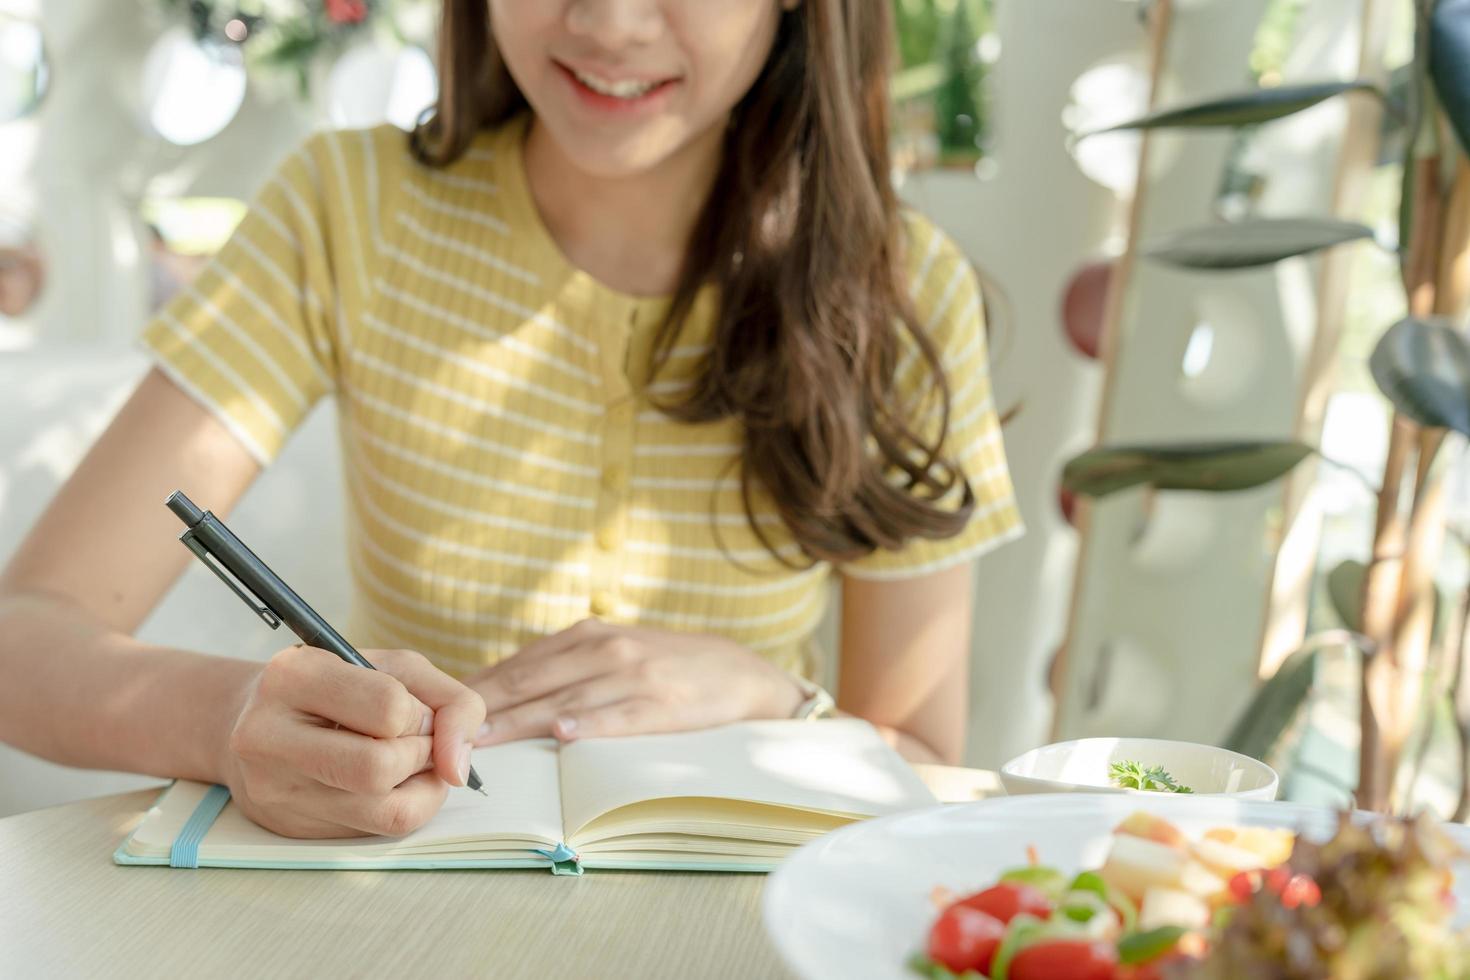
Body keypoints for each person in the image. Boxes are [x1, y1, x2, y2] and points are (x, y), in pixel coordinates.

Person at [0, 0, 1021, 841]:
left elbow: (931, 760)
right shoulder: (345, 208)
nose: (609, 22)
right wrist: (229, 718)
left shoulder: (900, 291)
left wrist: (773, 699)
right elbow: (24, 639)